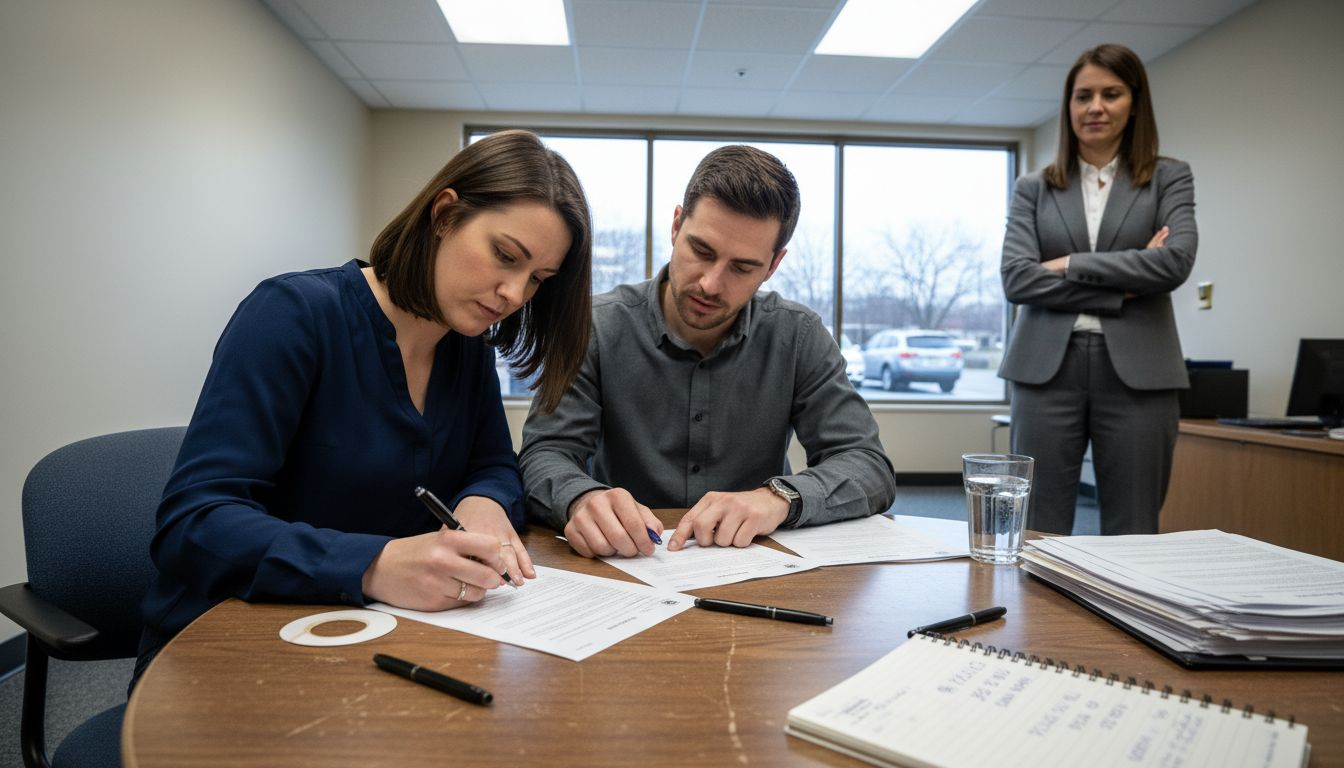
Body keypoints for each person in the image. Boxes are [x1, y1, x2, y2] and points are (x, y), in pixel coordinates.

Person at [135, 130, 593, 681]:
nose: (514, 295)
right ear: (444, 215)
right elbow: (194, 523)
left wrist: (484, 501)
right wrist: (373, 565)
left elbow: (492, 464)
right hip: (237, 647)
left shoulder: (466, 345)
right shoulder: (292, 316)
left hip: (377, 642)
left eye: (537, 280)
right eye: (504, 255)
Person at [519, 145, 896, 558]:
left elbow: (868, 466)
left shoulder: (798, 335)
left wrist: (778, 498)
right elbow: (545, 454)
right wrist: (580, 498)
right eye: (702, 251)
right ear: (677, 226)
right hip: (628, 561)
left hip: (759, 565)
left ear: (773, 265)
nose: (712, 284)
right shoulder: (596, 327)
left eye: (742, 267)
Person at [999, 43, 1197, 536]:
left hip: (1140, 373)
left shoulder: (1168, 177)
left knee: (1134, 526)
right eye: (1083, 95)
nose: (1096, 107)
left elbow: (1173, 263)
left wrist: (1068, 264)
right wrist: (1123, 284)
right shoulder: (1035, 187)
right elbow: (1018, 278)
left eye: (1112, 94)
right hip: (1044, 369)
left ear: (1135, 102)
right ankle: (1036, 617)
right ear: (1068, 105)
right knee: (1037, 525)